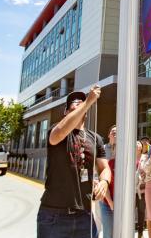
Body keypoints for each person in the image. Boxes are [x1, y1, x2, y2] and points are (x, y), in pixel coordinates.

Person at [37, 87, 111, 238]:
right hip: (54, 216)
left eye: (81, 101)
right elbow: (58, 134)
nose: (78, 102)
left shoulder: (95, 138)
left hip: (84, 215)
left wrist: (104, 182)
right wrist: (88, 101)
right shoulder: (57, 129)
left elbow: (105, 168)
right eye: (73, 102)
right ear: (65, 112)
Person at [99, 125, 117, 238]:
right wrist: (110, 202)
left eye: (117, 131)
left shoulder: (124, 150)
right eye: (113, 131)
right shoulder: (103, 149)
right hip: (106, 198)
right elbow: (100, 174)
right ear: (109, 135)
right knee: (108, 232)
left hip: (119, 199)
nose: (115, 132)